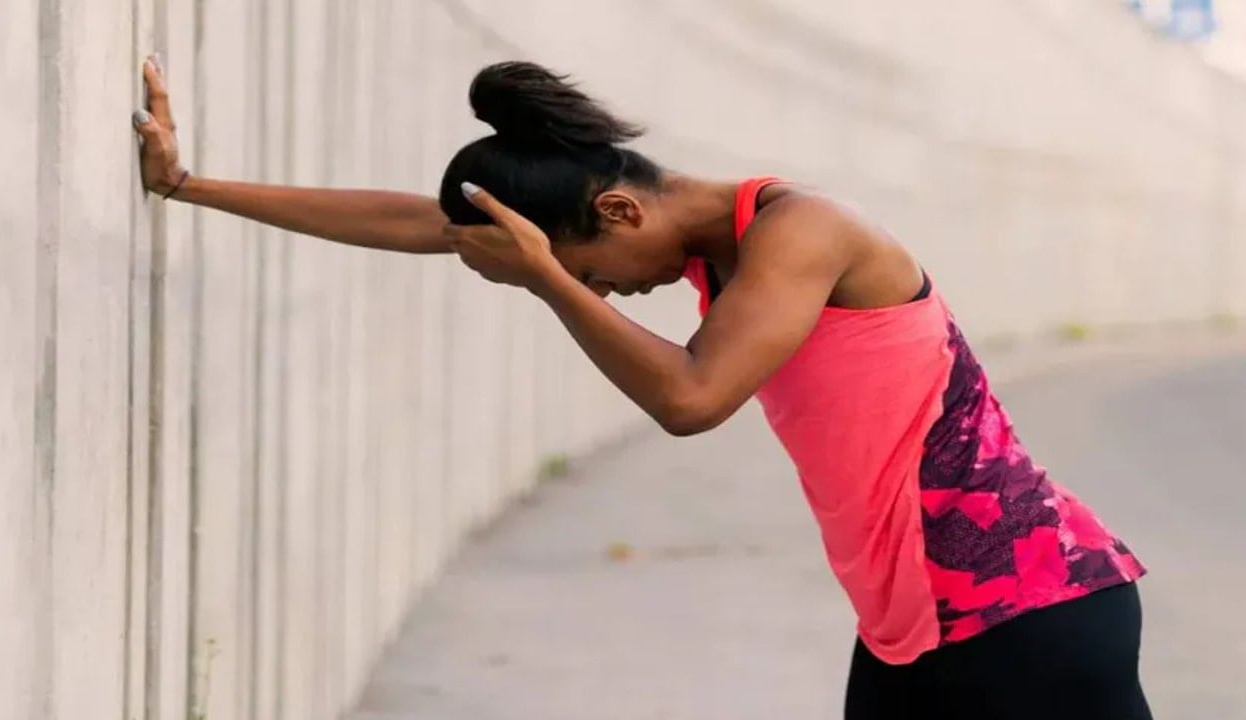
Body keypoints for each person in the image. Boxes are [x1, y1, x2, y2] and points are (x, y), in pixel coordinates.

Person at [132, 56, 1152, 720]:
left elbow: (689, 400)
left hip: (1030, 613)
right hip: (912, 629)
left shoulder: (806, 232)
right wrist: (189, 185)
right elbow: (420, 223)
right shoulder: (724, 248)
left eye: (589, 270)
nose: (600, 291)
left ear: (618, 209)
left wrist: (543, 279)